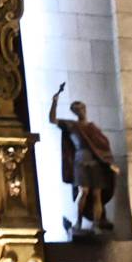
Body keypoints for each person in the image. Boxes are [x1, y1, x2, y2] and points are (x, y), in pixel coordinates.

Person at [49, 83, 116, 232]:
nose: (80, 111)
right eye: (77, 109)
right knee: (83, 192)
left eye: (81, 108)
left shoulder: (93, 128)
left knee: (97, 194)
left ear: (84, 109)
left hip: (95, 163)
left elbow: (102, 146)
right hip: (80, 162)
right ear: (74, 112)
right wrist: (54, 102)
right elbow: (52, 120)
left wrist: (108, 162)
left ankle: (96, 224)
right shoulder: (71, 125)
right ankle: (78, 222)